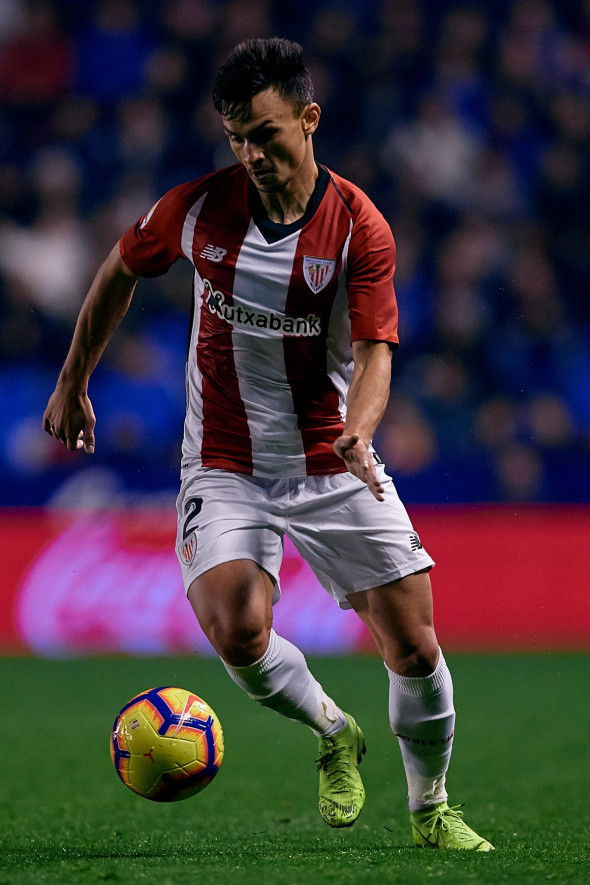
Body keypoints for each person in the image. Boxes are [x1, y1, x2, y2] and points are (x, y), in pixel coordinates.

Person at [43, 37, 493, 851]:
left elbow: (376, 351)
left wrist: (359, 426)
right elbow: (118, 268)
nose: (250, 152)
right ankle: (333, 731)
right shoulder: (197, 209)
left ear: (309, 119)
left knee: (416, 644)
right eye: (236, 136)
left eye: (265, 132)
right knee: (237, 628)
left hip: (331, 455)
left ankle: (431, 807)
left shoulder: (360, 227)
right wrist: (74, 380)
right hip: (224, 458)